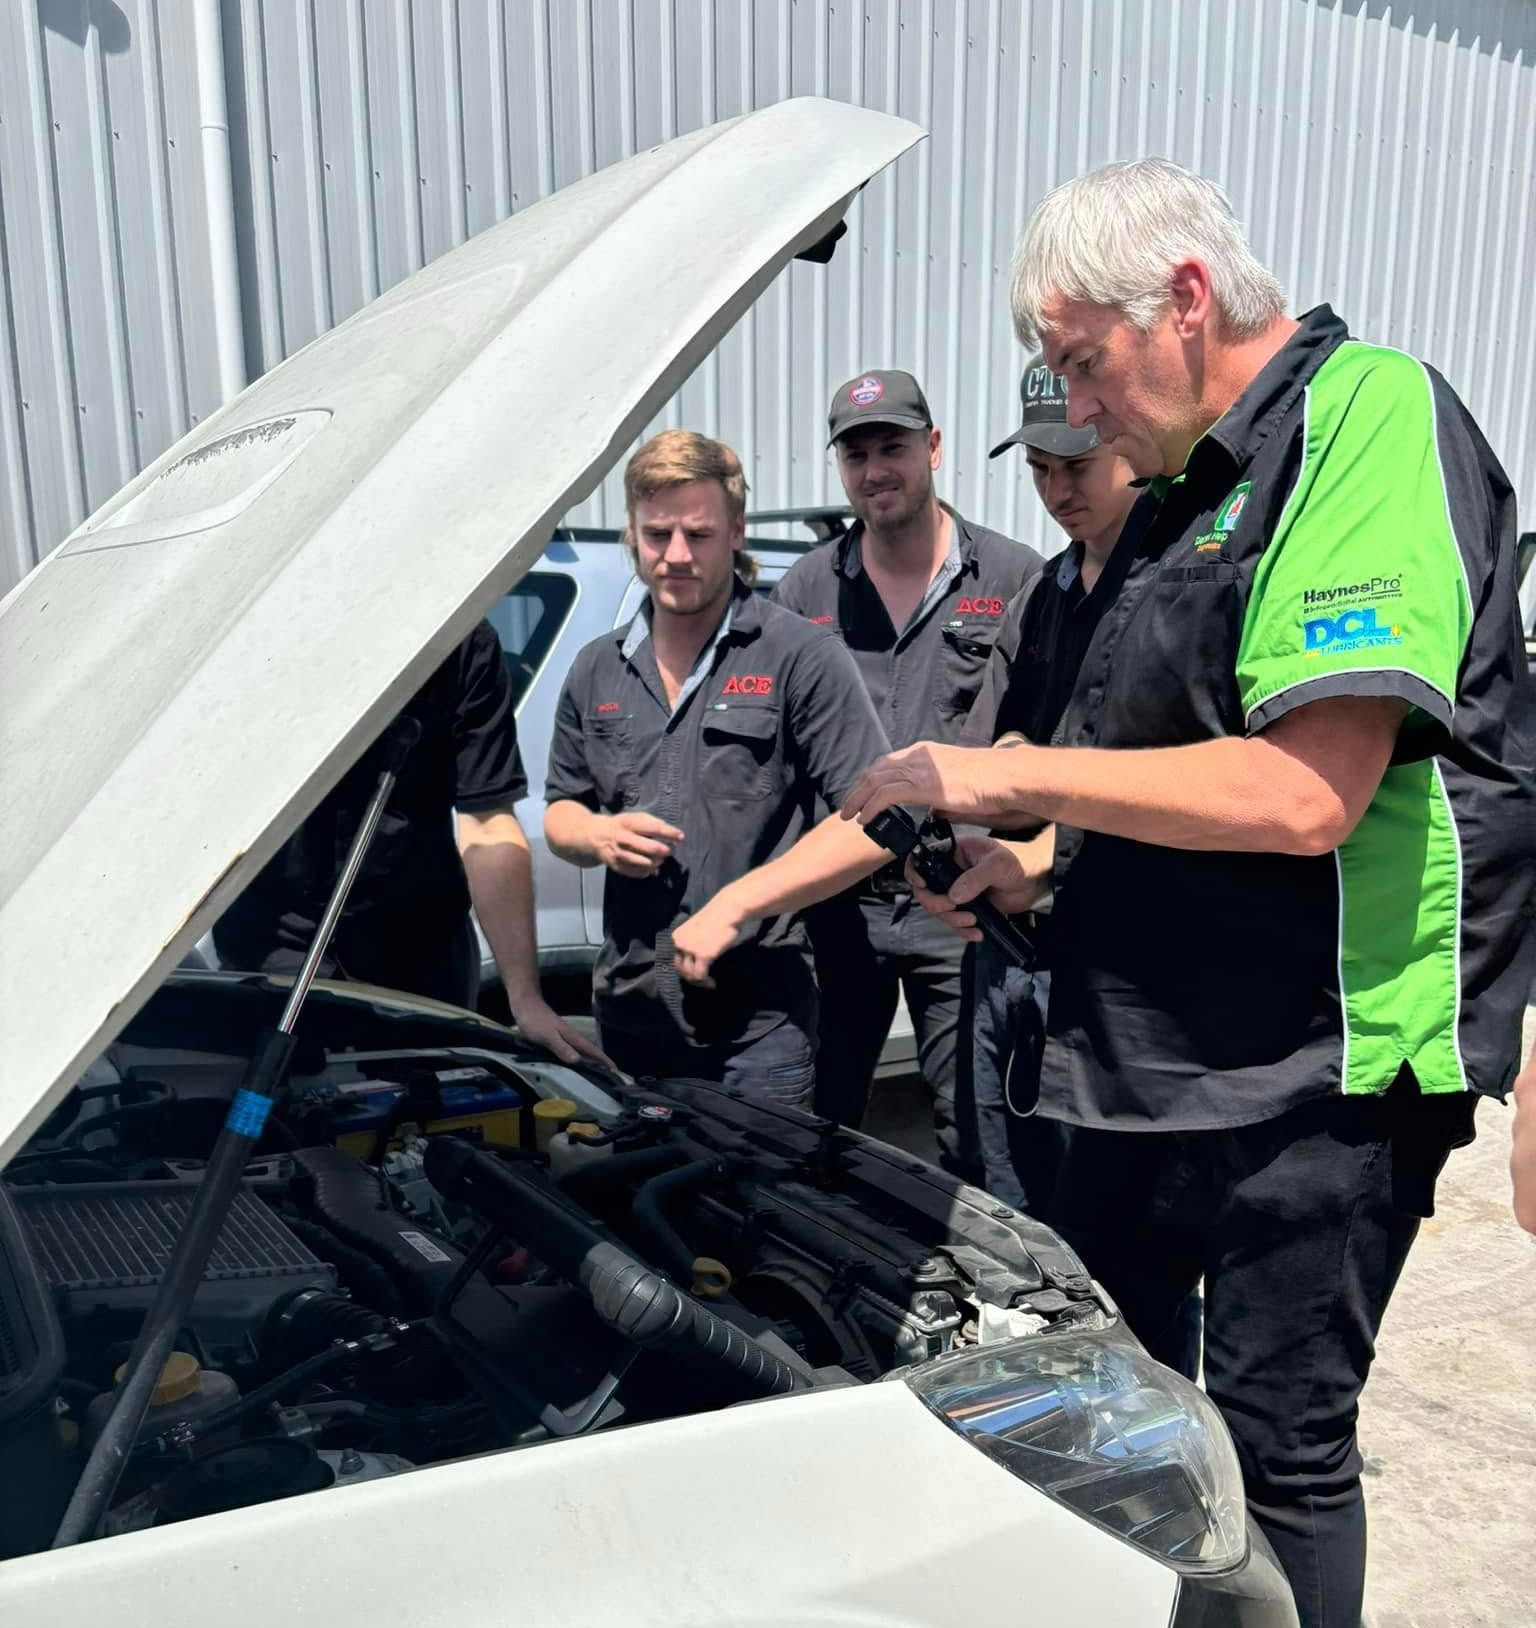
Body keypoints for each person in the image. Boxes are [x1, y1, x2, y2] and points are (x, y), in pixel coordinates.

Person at [841, 158, 1536, 1628]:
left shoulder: (1366, 420)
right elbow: (1158, 780)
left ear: (1189, 301)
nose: (1073, 411)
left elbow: (1303, 793)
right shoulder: (1175, 493)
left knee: (1276, 1452)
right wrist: (1028, 870)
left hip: (1312, 1074)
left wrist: (1006, 774)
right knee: (1129, 1421)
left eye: (1082, 366)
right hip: (1140, 1061)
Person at [543, 430, 894, 1102]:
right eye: (657, 534)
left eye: (699, 535)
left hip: (757, 1029)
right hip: (630, 1017)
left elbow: (879, 821)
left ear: (736, 532)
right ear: (631, 534)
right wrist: (594, 836)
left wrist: (739, 904)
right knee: (637, 1202)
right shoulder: (595, 666)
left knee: (763, 1207)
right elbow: (561, 808)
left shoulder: (799, 656)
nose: (676, 556)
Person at [771, 370, 1042, 1166]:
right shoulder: (806, 587)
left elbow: (1042, 738)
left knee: (979, 1131)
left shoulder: (1011, 576)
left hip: (957, 905)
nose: (875, 470)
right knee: (821, 1120)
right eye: (856, 455)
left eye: (892, 446)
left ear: (932, 447)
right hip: (838, 907)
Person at [214, 620, 602, 1065]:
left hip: (422, 960)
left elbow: (488, 822)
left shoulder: (465, 639)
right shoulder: (259, 630)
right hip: (275, 950)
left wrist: (525, 997)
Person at [953, 356, 1142, 1210]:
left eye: (1076, 465)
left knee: (1121, 1240)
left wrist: (1035, 799)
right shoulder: (1040, 593)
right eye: (1039, 469)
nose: (1057, 491)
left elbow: (1174, 782)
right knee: (1012, 1209)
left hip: (1117, 968)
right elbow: (1000, 757)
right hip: (1012, 957)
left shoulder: (1174, 583)